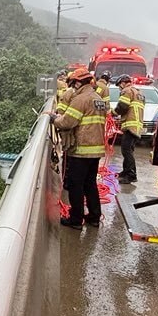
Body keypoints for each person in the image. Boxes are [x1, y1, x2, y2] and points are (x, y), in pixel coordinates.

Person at [51, 67, 106, 229]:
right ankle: (94, 217)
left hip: (82, 150)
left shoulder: (81, 99)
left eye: (74, 83)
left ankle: (76, 220)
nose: (73, 86)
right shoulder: (98, 98)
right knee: (90, 184)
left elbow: (68, 122)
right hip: (95, 150)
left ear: (79, 82)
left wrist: (54, 119)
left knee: (76, 185)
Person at [114, 74, 144, 184]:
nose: (119, 88)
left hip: (130, 125)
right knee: (128, 150)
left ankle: (131, 175)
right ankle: (126, 172)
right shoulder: (138, 92)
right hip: (137, 125)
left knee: (126, 150)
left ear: (122, 83)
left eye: (119, 86)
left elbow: (122, 106)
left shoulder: (127, 91)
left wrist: (113, 113)